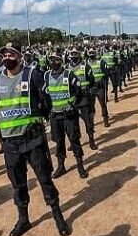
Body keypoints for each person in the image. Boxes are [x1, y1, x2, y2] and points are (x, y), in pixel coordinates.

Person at [0, 43, 71, 236]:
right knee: (18, 183)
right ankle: (23, 218)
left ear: (19, 56)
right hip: (10, 142)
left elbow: (46, 103)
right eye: (5, 54)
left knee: (44, 178)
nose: (7, 57)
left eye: (11, 54)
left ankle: (57, 215)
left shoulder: (33, 75)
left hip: (32, 139)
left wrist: (39, 121)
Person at [44, 50, 88, 179]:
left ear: (61, 61)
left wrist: (72, 104)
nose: (53, 62)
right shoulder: (46, 75)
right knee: (59, 141)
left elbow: (78, 91)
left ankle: (80, 166)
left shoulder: (69, 74)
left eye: (56, 59)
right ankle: (61, 166)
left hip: (69, 115)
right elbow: (44, 95)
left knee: (74, 140)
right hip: (55, 115)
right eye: (51, 60)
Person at [66, 48, 98, 150]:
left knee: (88, 121)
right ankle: (74, 142)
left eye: (76, 54)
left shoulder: (85, 67)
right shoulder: (66, 68)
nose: (74, 56)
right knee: (73, 124)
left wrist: (90, 91)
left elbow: (92, 81)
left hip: (84, 98)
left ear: (79, 55)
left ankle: (91, 140)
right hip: (72, 100)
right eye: (72, 54)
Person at [88, 48, 111, 128]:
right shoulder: (86, 64)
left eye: (93, 53)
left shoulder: (101, 62)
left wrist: (102, 79)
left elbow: (107, 72)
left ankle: (105, 120)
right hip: (91, 88)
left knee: (103, 104)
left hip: (100, 87)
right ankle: (91, 122)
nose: (91, 54)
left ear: (95, 53)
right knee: (91, 106)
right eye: (90, 53)